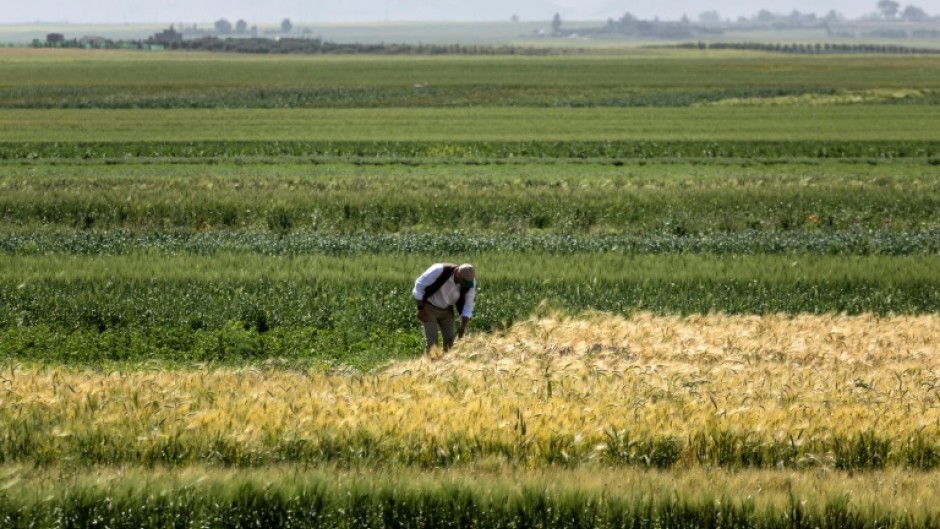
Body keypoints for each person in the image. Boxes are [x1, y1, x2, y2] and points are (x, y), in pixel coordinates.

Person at [412, 263, 477, 355]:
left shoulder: (470, 282)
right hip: (429, 308)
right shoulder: (439, 270)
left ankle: (446, 367)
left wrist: (463, 327)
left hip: (447, 310)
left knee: (451, 344)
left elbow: (468, 306)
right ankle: (429, 367)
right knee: (432, 344)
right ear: (457, 274)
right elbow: (418, 286)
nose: (465, 285)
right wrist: (420, 309)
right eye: (463, 282)